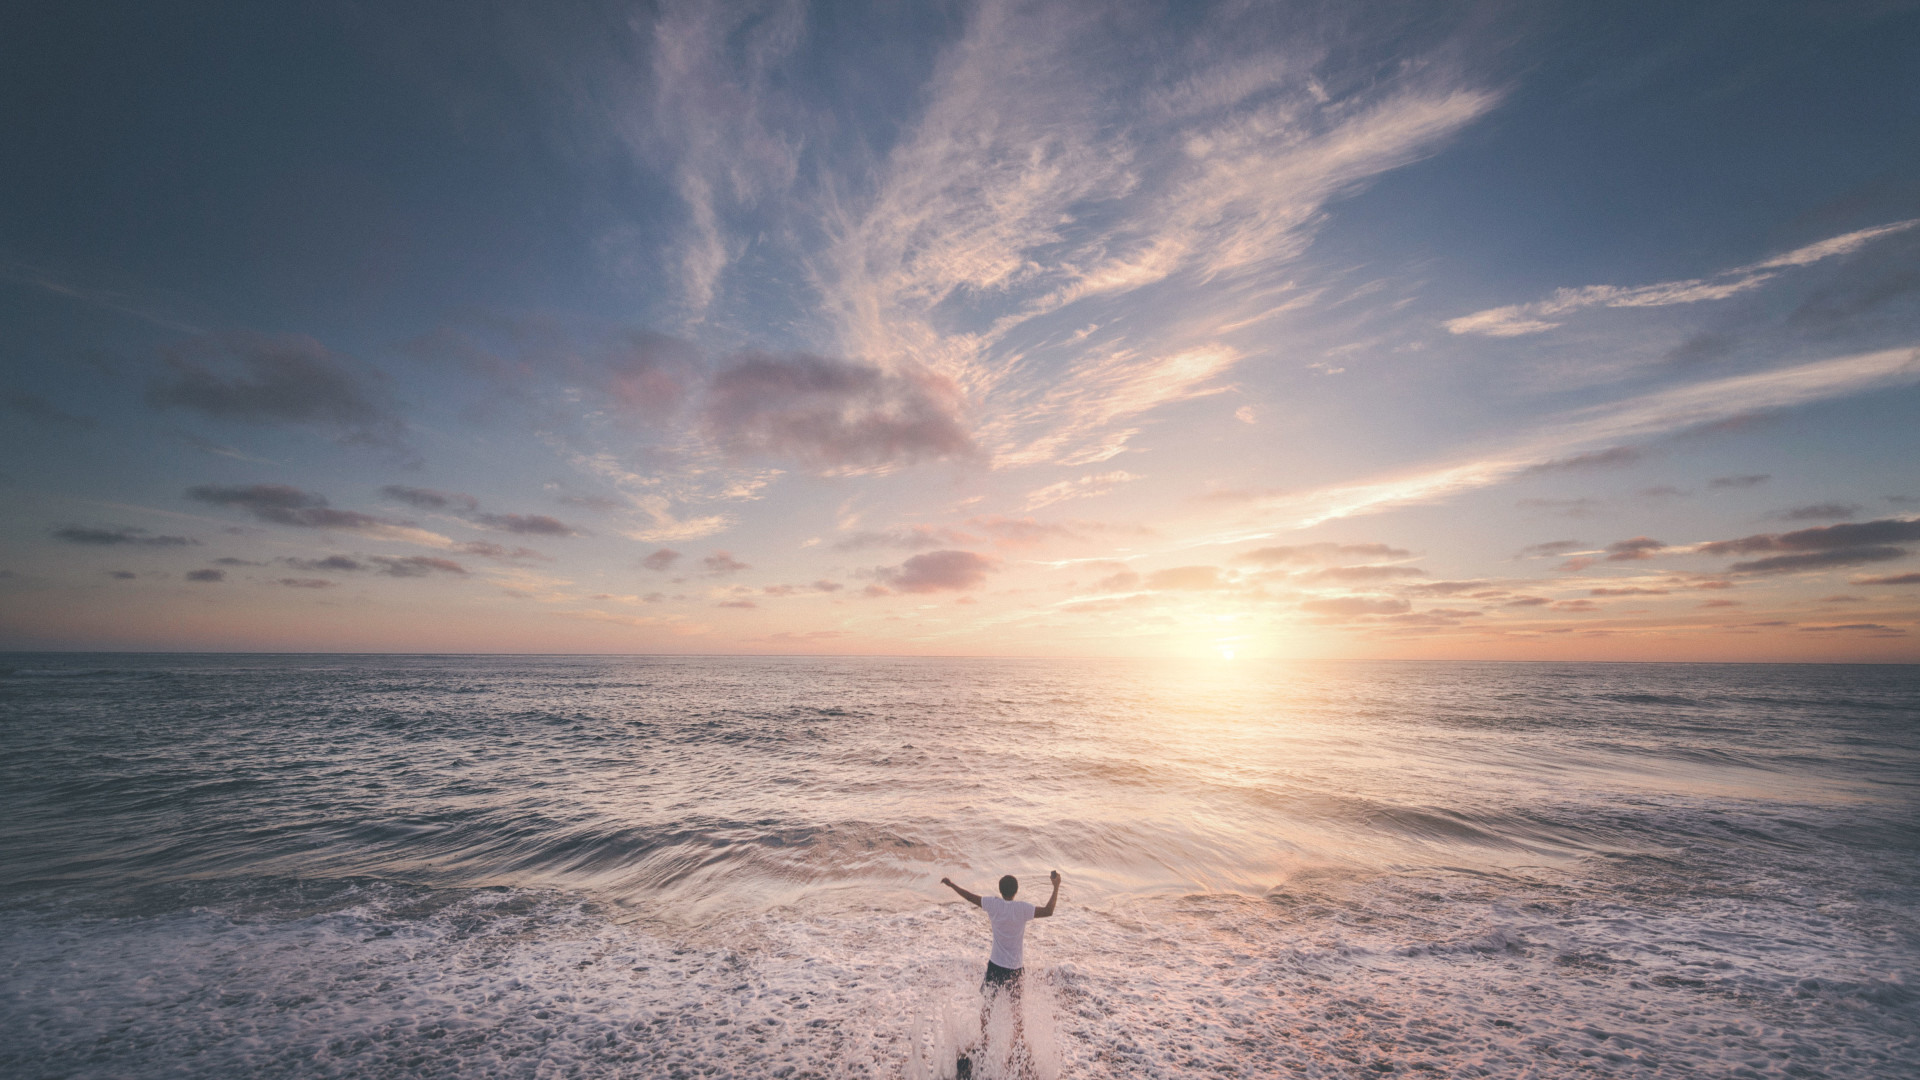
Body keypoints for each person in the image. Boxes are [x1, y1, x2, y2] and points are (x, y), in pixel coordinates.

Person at [940, 869, 1061, 986]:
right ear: (1016, 891)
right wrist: (1056, 887)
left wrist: (951, 885)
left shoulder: (993, 904)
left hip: (996, 964)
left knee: (988, 1004)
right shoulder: (1022, 909)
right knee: (1016, 1006)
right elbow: (1048, 911)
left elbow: (969, 897)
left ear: (1000, 890)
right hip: (1015, 967)